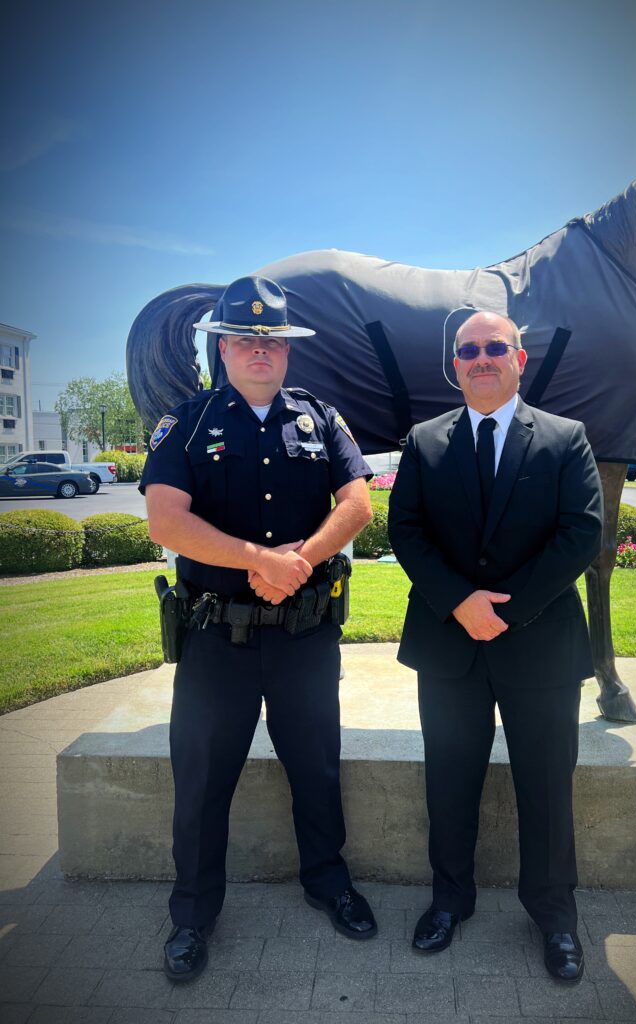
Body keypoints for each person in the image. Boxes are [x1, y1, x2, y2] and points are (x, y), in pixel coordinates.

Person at [140, 275, 378, 982]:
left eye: (271, 340)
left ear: (287, 351)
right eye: (244, 339)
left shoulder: (320, 419)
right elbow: (165, 519)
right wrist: (257, 561)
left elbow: (359, 502)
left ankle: (328, 882)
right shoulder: (186, 421)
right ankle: (192, 917)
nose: (259, 351)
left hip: (305, 638)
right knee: (204, 780)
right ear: (221, 346)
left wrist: (299, 560)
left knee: (318, 767)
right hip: (217, 641)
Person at [388, 311, 603, 982]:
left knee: (546, 788)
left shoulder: (567, 439)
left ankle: (555, 916)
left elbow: (581, 533)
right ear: (455, 364)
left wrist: (505, 610)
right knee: (449, 782)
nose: (481, 358)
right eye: (468, 350)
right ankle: (450, 901)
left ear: (519, 358)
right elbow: (406, 531)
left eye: (494, 348)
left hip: (539, 645)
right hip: (448, 644)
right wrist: (460, 601)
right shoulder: (423, 442)